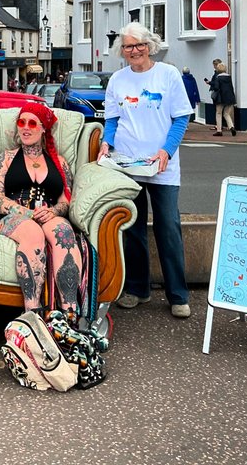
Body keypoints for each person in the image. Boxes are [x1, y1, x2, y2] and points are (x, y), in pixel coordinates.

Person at [97, 22, 194, 319]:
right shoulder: (117, 80)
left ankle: (178, 294)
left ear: (150, 46)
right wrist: (105, 143)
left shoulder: (168, 75)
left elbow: (180, 119)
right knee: (132, 229)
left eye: (139, 45)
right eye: (128, 46)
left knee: (168, 227)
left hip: (161, 164)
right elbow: (112, 120)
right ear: (122, 51)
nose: (134, 50)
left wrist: (166, 151)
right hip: (128, 164)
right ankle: (138, 289)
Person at [0, 102, 93, 323]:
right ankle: (32, 314)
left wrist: (54, 211)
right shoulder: (6, 157)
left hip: (48, 214)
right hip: (12, 216)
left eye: (32, 123)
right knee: (32, 232)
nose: (25, 128)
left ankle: (69, 314)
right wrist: (26, 212)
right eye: (21, 122)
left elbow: (66, 199)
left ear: (43, 128)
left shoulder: (59, 162)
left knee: (64, 232)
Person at [210, 62, 237, 136]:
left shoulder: (218, 77)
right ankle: (231, 127)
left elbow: (216, 87)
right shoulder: (229, 77)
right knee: (226, 114)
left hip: (220, 98)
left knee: (219, 113)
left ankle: (219, 130)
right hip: (229, 98)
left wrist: (211, 85)